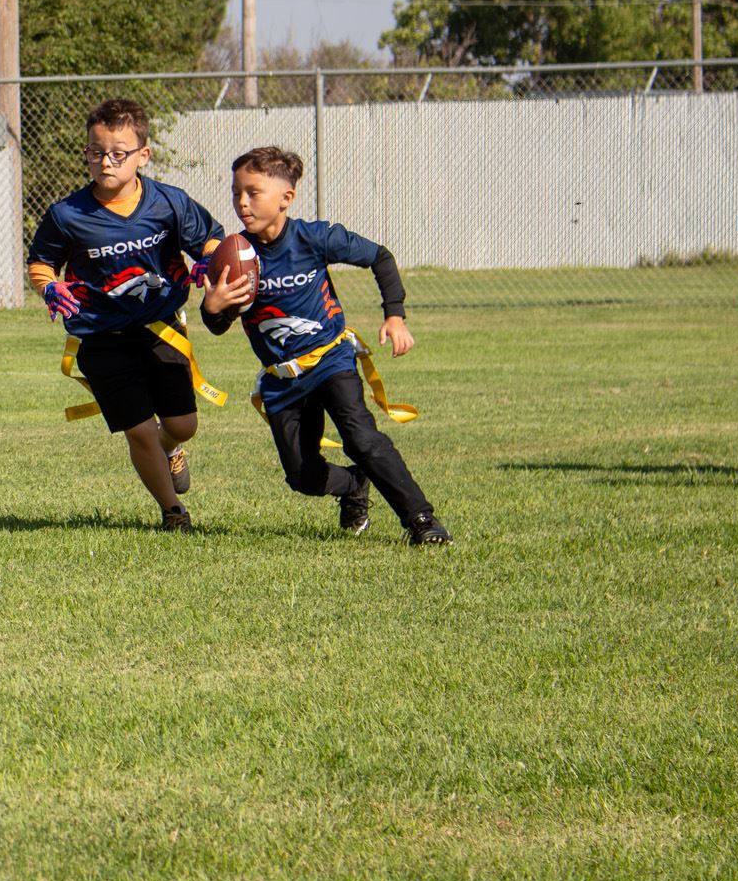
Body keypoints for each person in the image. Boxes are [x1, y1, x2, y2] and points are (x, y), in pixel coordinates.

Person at [200, 146, 451, 545]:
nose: (242, 202)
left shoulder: (313, 238)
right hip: (282, 380)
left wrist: (395, 315)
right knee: (302, 475)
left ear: (286, 198)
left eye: (253, 192)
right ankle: (353, 485)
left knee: (361, 439)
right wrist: (213, 307)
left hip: (331, 360)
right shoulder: (234, 255)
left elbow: (380, 257)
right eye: (236, 193)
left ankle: (422, 521)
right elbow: (217, 324)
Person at [26, 97, 226, 532]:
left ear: (143, 155)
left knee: (182, 424)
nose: (106, 161)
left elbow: (211, 240)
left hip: (161, 331)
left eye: (119, 153)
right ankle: (173, 512)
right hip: (101, 340)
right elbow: (41, 264)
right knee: (138, 430)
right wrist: (49, 287)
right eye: (96, 152)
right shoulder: (66, 215)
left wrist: (209, 260)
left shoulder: (169, 203)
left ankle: (170, 447)